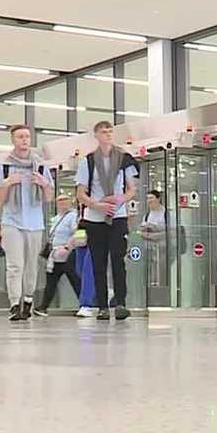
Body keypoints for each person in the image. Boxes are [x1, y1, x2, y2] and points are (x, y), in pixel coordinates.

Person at [77, 120, 139, 321]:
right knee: (98, 262)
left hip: (118, 215)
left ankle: (120, 302)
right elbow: (81, 194)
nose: (108, 135)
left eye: (110, 131)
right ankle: (102, 306)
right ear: (96, 135)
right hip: (95, 217)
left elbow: (131, 190)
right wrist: (97, 205)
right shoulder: (88, 161)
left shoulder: (124, 159)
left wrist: (120, 199)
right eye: (104, 132)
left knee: (118, 260)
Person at [0, 124, 54, 321]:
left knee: (31, 265)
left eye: (27, 136)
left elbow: (49, 197)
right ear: (13, 140)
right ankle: (13, 303)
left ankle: (28, 299)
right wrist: (7, 183)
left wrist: (43, 183)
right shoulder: (4, 166)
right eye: (20, 137)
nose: (25, 140)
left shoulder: (40, 165)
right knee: (15, 264)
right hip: (12, 220)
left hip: (35, 222)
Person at [34, 195, 83, 315]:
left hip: (68, 254)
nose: (62, 203)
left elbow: (76, 233)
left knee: (75, 279)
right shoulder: (55, 219)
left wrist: (68, 247)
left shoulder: (72, 216)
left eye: (65, 201)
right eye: (60, 201)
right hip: (55, 256)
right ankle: (43, 306)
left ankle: (85, 304)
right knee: (51, 282)